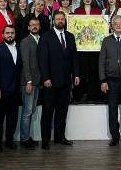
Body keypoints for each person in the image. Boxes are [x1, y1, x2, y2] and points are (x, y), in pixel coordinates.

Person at [37, 10, 79, 148]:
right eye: (58, 19)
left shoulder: (70, 36)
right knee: (48, 112)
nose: (60, 21)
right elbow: (42, 60)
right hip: (50, 81)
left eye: (62, 19)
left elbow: (74, 57)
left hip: (66, 81)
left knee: (62, 111)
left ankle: (60, 137)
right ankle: (45, 140)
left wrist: (76, 74)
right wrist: (45, 78)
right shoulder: (45, 37)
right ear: (53, 21)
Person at [99, 14, 121, 146]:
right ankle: (115, 137)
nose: (118, 25)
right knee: (112, 110)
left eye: (120, 23)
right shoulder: (106, 40)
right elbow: (101, 61)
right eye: (115, 23)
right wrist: (103, 80)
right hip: (111, 81)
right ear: (112, 26)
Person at [0, 25, 20, 151]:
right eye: (7, 33)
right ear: (2, 35)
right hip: (1, 90)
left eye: (12, 32)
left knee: (13, 118)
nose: (10, 35)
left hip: (15, 90)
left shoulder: (19, 48)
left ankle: (9, 141)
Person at [18, 17, 41, 148]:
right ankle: (24, 139)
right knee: (27, 111)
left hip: (37, 81)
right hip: (28, 81)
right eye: (32, 25)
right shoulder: (25, 41)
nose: (34, 26)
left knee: (31, 110)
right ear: (28, 27)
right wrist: (28, 81)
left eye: (36, 24)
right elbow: (25, 62)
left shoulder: (41, 39)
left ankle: (27, 136)